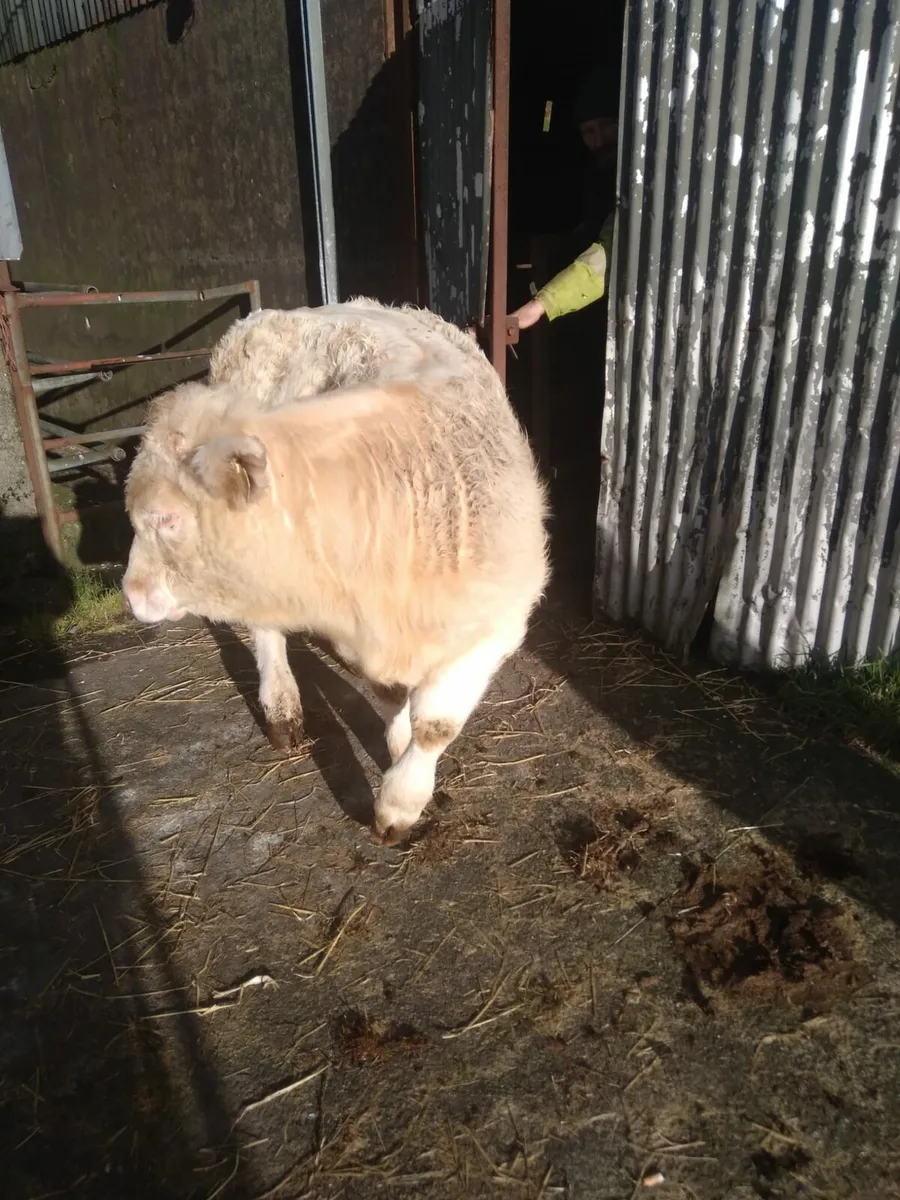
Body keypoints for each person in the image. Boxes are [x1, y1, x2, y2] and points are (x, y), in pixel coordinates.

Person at [511, 63, 619, 331]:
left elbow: (610, 251)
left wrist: (539, 306)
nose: (598, 140)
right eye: (588, 132)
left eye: (606, 126)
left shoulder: (640, 177)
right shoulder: (598, 173)